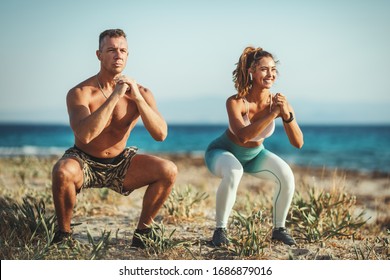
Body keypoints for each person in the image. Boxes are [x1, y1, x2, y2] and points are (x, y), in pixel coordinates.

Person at [51, 29, 177, 248]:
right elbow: (86, 134)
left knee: (168, 170)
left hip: (120, 163)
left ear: (128, 55)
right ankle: (63, 235)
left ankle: (143, 234)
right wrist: (115, 96)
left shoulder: (141, 93)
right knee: (62, 172)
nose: (118, 55)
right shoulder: (80, 93)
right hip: (84, 160)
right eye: (111, 50)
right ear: (99, 55)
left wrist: (137, 97)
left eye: (122, 50)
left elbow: (161, 135)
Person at [204, 46, 304, 246]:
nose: (271, 74)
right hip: (222, 152)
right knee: (234, 171)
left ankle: (279, 229)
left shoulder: (279, 102)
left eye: (273, 69)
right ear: (251, 71)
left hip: (255, 156)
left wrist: (287, 115)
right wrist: (273, 114)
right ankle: (220, 231)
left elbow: (298, 143)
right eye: (264, 69)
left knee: (286, 175)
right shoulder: (236, 102)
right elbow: (242, 137)